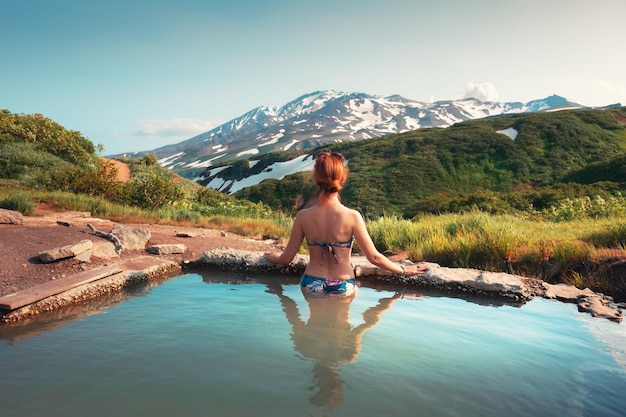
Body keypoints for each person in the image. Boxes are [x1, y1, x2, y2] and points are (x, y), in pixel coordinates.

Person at [264, 151, 428, 296]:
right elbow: (374, 257)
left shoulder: (303, 216)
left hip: (311, 283)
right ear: (342, 178)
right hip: (343, 284)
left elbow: (286, 259)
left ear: (316, 179)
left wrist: (275, 258)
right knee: (344, 330)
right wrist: (404, 270)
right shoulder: (352, 216)